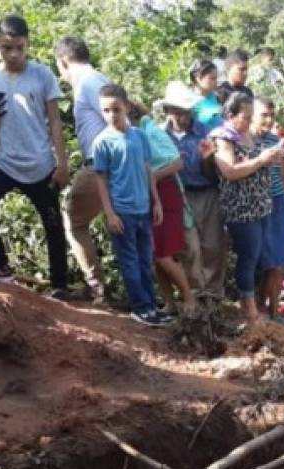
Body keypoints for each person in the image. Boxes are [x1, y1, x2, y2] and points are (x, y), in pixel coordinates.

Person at [0, 15, 72, 297]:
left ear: (28, 45)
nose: (13, 54)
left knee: (52, 222)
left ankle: (60, 283)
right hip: (4, 161)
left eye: (19, 47)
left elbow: (54, 121)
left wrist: (62, 163)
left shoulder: (42, 75)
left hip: (40, 163)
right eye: (6, 47)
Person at [92, 83, 166, 327]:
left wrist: (156, 201)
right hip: (122, 211)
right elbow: (101, 180)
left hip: (143, 208)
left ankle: (152, 304)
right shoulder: (102, 142)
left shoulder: (139, 136)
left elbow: (148, 169)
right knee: (130, 261)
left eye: (116, 109)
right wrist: (109, 213)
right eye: (106, 110)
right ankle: (140, 306)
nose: (111, 115)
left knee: (146, 259)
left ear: (127, 107)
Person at [210, 93, 284, 325]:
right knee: (248, 256)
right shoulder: (224, 138)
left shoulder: (248, 136)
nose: (249, 121)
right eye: (245, 117)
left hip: (260, 205)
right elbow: (230, 171)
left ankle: (249, 305)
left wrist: (273, 159)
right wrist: (262, 160)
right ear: (231, 116)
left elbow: (258, 163)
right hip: (241, 208)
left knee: (257, 255)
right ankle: (249, 310)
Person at [54, 36, 110, 299]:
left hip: (100, 165)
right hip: (108, 165)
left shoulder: (89, 83)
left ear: (63, 62)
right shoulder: (96, 80)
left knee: (74, 221)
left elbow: (116, 119)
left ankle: (96, 287)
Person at [128, 100, 195, 316]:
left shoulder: (152, 133)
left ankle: (189, 298)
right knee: (155, 254)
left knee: (163, 254)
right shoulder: (134, 135)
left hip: (166, 194)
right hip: (149, 195)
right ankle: (170, 303)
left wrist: (152, 177)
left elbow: (177, 163)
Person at [163, 81, 226, 300]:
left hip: (207, 191)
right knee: (189, 248)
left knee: (213, 245)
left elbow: (213, 172)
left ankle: (214, 294)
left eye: (186, 112)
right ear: (168, 111)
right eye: (178, 112)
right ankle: (195, 294)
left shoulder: (204, 131)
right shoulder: (161, 136)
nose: (183, 117)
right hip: (179, 195)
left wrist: (207, 159)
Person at [253, 97, 284, 319]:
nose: (269, 120)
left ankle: (272, 314)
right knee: (260, 262)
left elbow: (283, 176)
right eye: (264, 115)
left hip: (277, 202)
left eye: (272, 115)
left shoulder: (275, 140)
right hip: (255, 207)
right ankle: (257, 309)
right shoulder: (245, 140)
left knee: (278, 262)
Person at [190, 59, 223, 130]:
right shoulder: (190, 102)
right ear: (198, 78)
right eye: (212, 78)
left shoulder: (216, 97)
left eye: (216, 78)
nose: (216, 82)